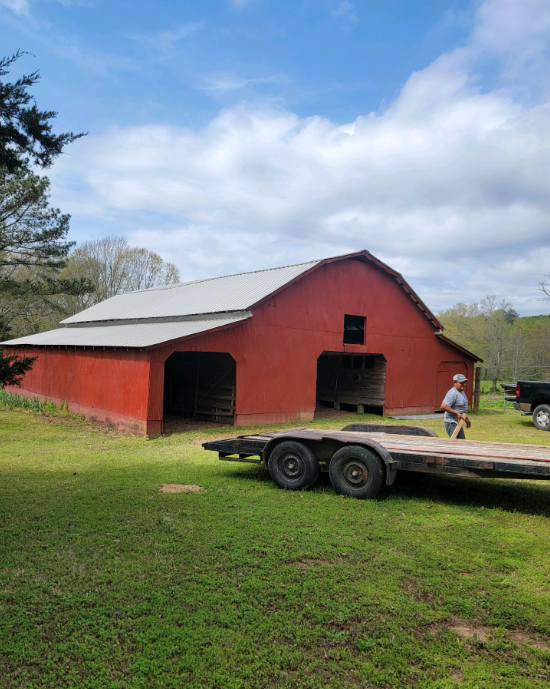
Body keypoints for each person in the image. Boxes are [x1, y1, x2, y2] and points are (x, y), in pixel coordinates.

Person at [441, 373, 471, 439]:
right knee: (455, 443)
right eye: (461, 382)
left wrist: (466, 419)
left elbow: (461, 408)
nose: (464, 384)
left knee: (461, 442)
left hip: (457, 422)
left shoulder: (461, 392)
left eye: (464, 382)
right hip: (451, 422)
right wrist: (456, 413)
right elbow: (443, 406)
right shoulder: (452, 393)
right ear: (455, 382)